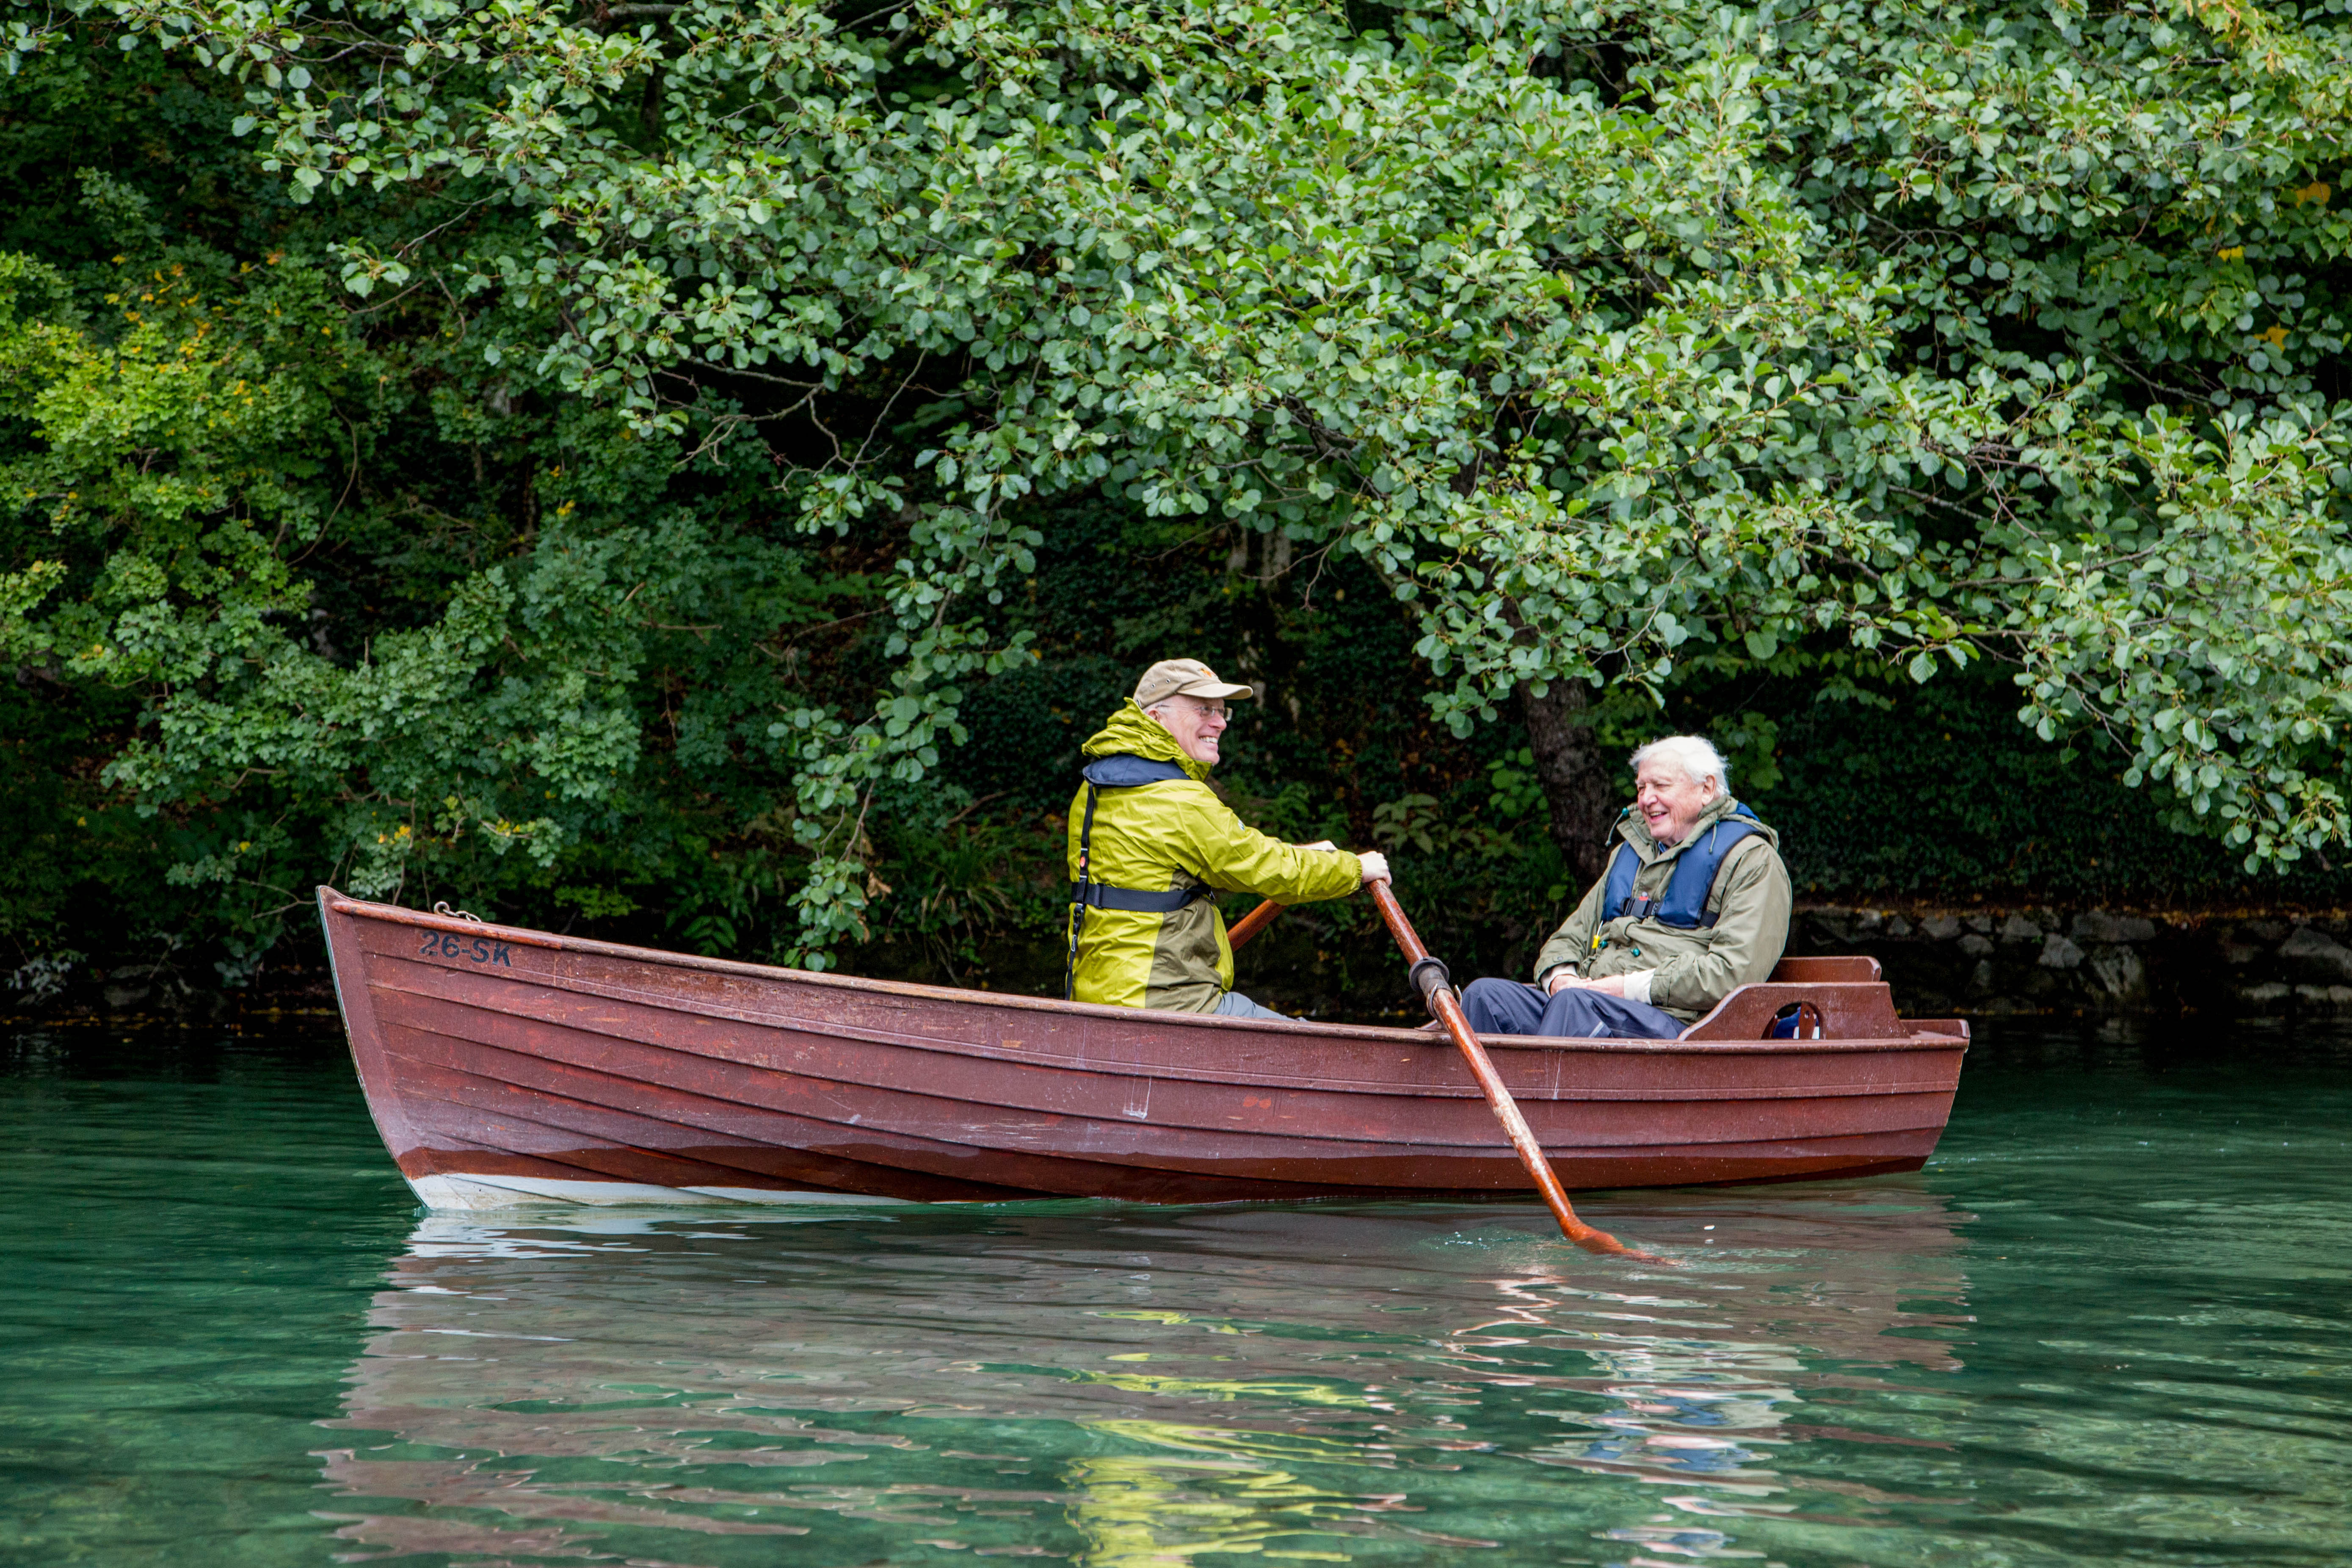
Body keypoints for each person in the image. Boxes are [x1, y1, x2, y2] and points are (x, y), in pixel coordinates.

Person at [1066, 659, 1390, 1017]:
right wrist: (1355, 868)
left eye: (1222, 712)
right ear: (1157, 718)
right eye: (1204, 709)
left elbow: (1205, 857)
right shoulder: (1180, 800)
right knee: (1308, 1051)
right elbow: (1266, 867)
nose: (1220, 723)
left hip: (1095, 1000)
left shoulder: (1094, 790)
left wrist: (1305, 854)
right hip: (1170, 1004)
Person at [1462, 735, 1790, 1039]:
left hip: (1686, 1027)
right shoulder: (1629, 854)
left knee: (1575, 1008)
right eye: (1641, 787)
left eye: (1660, 785)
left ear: (1706, 789)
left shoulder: (1754, 861)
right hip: (1591, 1006)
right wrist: (1562, 979)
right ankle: (1478, 1104)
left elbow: (1733, 973)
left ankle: (1533, 1103)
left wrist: (1626, 988)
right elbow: (1567, 939)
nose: (1647, 800)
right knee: (1485, 997)